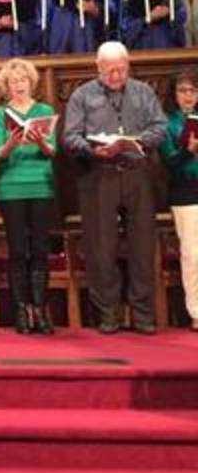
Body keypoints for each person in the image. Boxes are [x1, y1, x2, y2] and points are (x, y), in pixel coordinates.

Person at [63, 41, 167, 334]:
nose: (116, 76)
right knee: (101, 246)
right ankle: (108, 313)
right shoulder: (82, 95)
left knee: (142, 246)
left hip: (138, 173)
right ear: (98, 67)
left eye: (121, 70)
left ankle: (143, 314)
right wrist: (92, 149)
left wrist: (141, 140)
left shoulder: (143, 92)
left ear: (128, 66)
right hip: (99, 175)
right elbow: (70, 137)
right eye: (110, 71)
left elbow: (160, 126)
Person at [0, 59, 57, 333]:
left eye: (23, 80)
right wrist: (12, 141)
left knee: (40, 249)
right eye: (13, 81)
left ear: (31, 83)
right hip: (11, 187)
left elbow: (52, 152)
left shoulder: (44, 110)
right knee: (18, 250)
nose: (18, 85)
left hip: (40, 184)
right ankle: (22, 310)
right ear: (6, 86)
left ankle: (40, 309)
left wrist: (40, 140)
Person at [159, 69, 198, 331]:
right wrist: (188, 151)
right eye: (183, 90)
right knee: (193, 254)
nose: (189, 96)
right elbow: (170, 161)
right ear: (174, 94)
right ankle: (196, 311)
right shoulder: (168, 123)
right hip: (186, 193)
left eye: (193, 90)